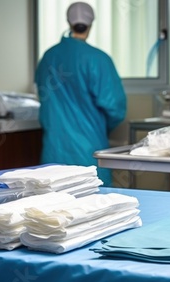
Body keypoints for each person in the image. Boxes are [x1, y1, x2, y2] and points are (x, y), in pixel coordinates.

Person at [35, 2, 126, 187]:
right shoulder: (98, 59)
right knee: (94, 209)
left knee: (51, 210)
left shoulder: (48, 57)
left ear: (68, 22)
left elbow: (44, 99)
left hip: (54, 153)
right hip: (88, 153)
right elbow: (115, 108)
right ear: (91, 24)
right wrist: (98, 128)